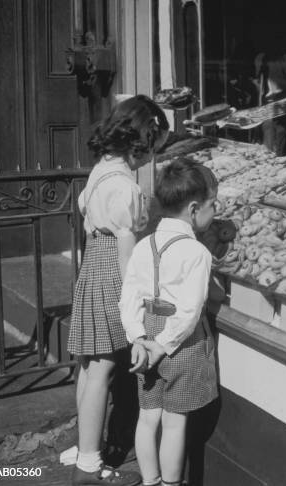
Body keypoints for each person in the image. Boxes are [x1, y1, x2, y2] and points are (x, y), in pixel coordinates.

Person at [68, 95, 169, 486]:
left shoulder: (100, 171)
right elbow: (128, 255)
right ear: (139, 141)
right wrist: (136, 299)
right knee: (105, 369)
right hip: (114, 271)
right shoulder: (125, 187)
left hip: (94, 264)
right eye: (150, 150)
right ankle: (88, 466)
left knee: (90, 366)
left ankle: (84, 449)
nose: (149, 160)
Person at [119, 159, 219, 486]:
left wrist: (139, 339)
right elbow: (190, 311)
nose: (214, 213)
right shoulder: (197, 253)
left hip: (146, 335)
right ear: (193, 208)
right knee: (175, 422)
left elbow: (128, 297)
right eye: (212, 206)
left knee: (147, 418)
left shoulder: (144, 245)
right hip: (181, 344)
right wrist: (163, 345)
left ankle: (150, 481)